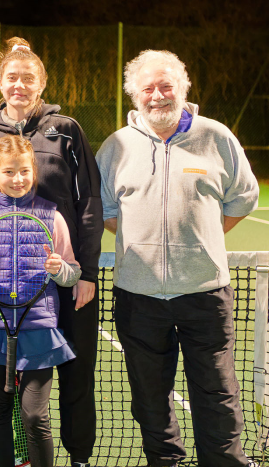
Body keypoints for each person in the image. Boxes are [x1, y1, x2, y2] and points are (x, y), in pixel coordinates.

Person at [96, 49, 259, 467]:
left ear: (182, 89)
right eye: (147, 88)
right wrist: (144, 240)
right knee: (150, 401)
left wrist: (203, 237)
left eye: (166, 86)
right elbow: (106, 210)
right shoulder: (116, 146)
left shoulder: (216, 136)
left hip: (205, 294)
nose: (157, 96)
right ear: (135, 95)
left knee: (218, 398)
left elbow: (244, 196)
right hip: (138, 296)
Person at [0, 36, 103, 467]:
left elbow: (89, 204)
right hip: (11, 290)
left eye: (29, 78)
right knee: (15, 394)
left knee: (77, 377)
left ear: (42, 83)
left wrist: (86, 273)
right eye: (12, 78)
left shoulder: (66, 130)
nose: (20, 86)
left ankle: (79, 458)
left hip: (65, 277)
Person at [0, 135, 81, 467]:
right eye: (9, 172)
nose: (18, 179)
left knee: (35, 417)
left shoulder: (52, 217)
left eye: (24, 171)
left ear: (33, 172)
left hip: (39, 329)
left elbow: (71, 273)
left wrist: (60, 269)